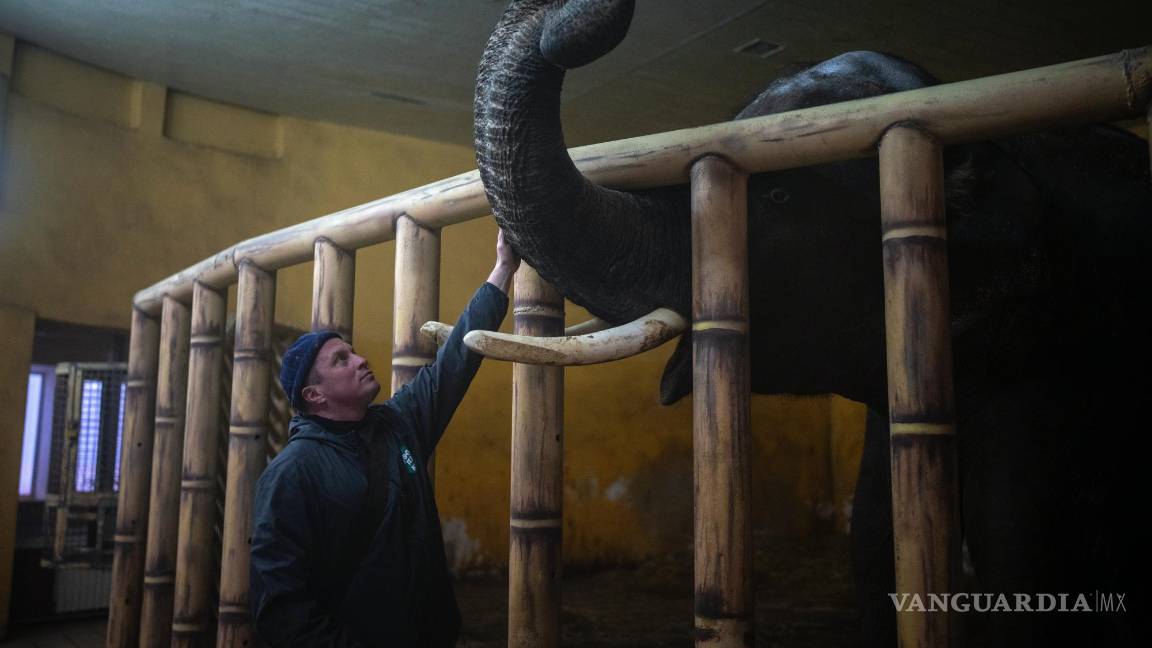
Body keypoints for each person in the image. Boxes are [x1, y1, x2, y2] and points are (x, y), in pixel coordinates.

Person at [249, 231, 520, 647]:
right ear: (314, 395)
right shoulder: (290, 474)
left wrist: (503, 268)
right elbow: (281, 610)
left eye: (353, 351)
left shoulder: (397, 424)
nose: (360, 360)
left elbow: (454, 363)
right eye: (341, 360)